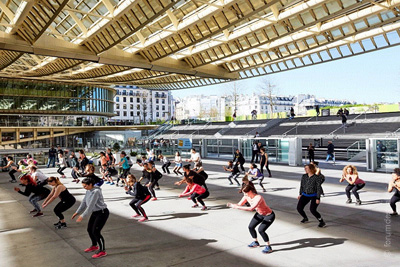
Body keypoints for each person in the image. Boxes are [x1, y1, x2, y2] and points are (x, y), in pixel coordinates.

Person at [227, 183, 275, 254]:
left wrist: (237, 207)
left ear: (250, 191)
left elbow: (251, 208)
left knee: (261, 230)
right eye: (243, 193)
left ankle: (268, 247)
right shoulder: (246, 196)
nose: (244, 194)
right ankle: (256, 242)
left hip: (268, 215)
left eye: (245, 193)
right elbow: (240, 204)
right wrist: (232, 205)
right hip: (259, 214)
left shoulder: (258, 197)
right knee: (251, 227)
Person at [72, 177, 109, 259]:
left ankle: (102, 251)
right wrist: (77, 212)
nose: (84, 188)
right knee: (89, 229)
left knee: (96, 231)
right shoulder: (88, 191)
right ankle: (94, 245)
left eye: (85, 186)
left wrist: (82, 216)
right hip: (95, 212)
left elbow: (91, 205)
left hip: (102, 213)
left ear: (91, 184)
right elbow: (84, 202)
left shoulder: (96, 191)